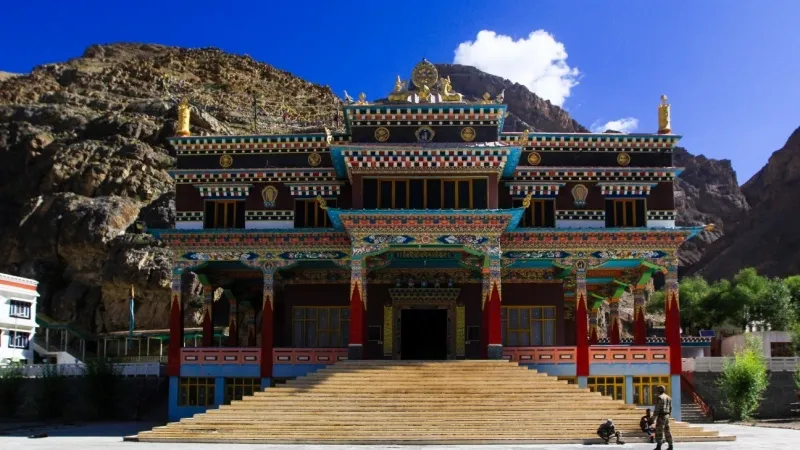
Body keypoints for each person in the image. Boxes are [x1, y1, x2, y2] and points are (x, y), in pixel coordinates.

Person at [653, 385, 674, 450]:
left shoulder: (659, 397)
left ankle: (658, 446)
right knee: (667, 431)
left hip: (661, 415)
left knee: (659, 431)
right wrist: (669, 415)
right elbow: (671, 408)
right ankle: (670, 446)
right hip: (667, 415)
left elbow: (657, 408)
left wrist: (653, 418)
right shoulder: (669, 397)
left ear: (659, 390)